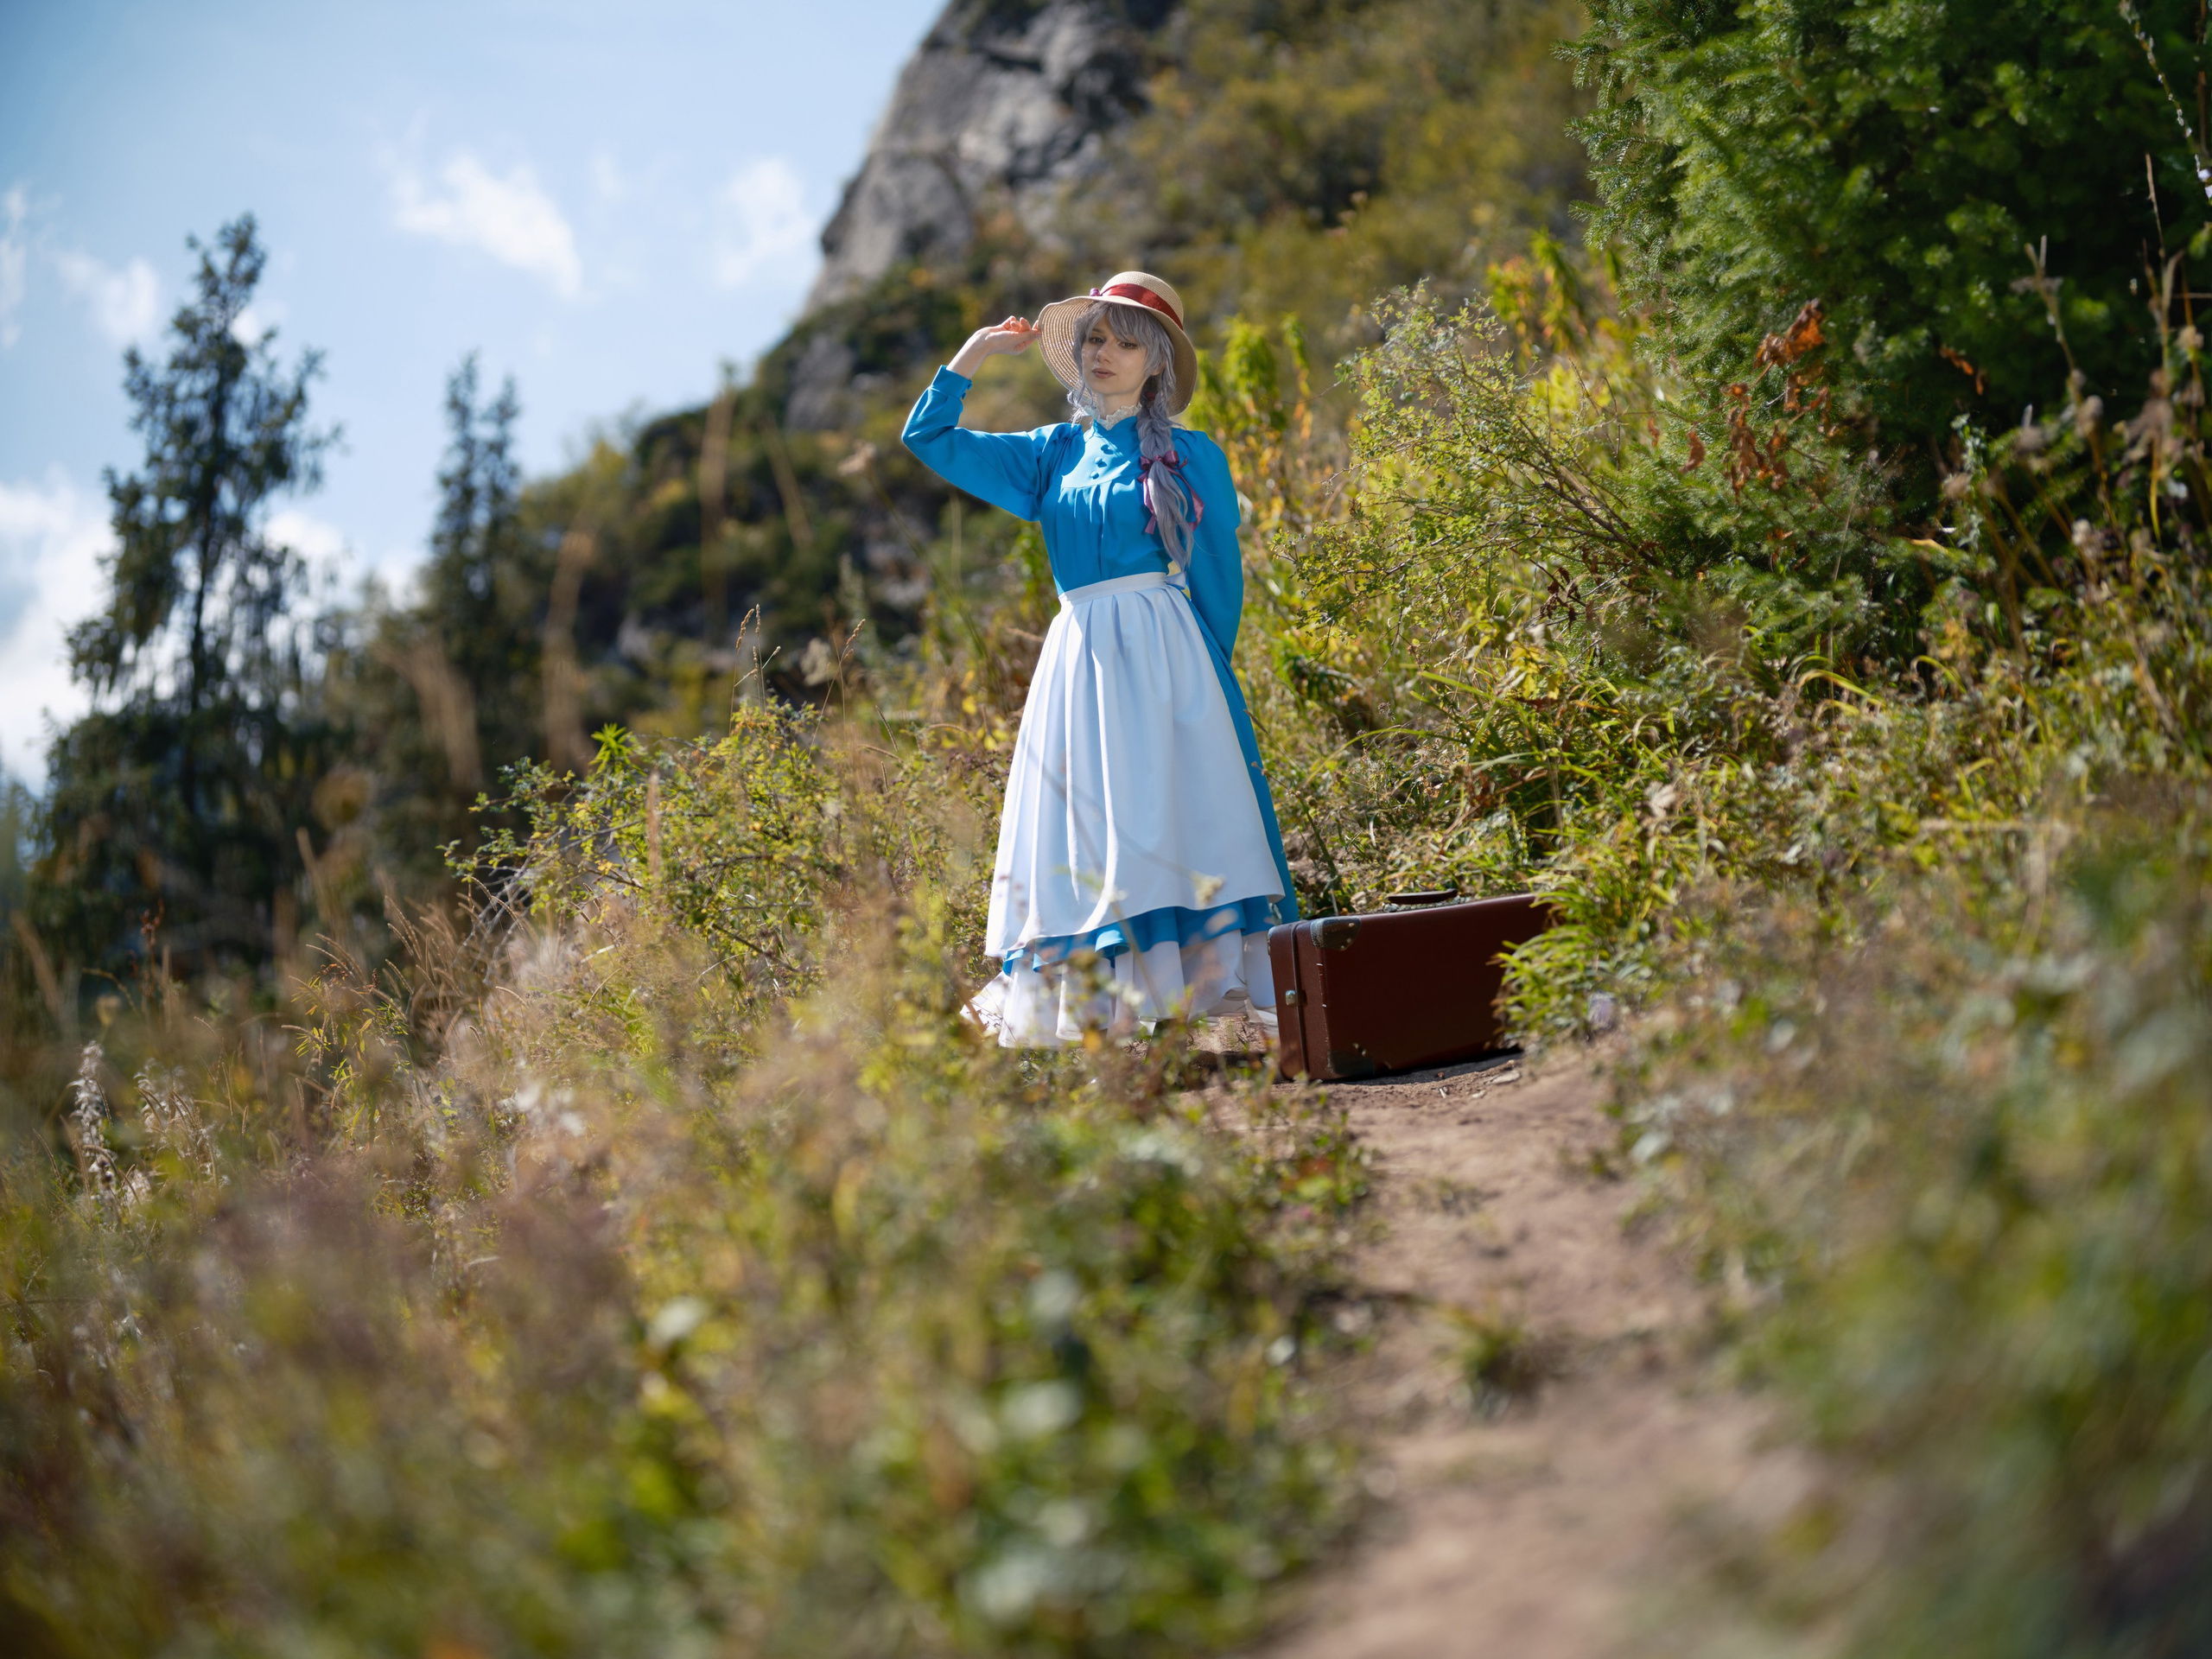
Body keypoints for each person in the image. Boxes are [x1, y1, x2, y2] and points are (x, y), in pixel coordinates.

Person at [901, 270, 1300, 1045]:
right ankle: (1103, 1015)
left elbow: (1220, 577)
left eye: (1125, 342)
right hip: (1077, 658)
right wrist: (972, 355)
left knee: (1177, 815)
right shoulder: (1051, 453)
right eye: (1094, 338)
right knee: (1087, 824)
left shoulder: (1191, 455)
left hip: (1169, 658)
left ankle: (1191, 999)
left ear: (1157, 363)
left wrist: (1209, 683)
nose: (1103, 353)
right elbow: (930, 439)